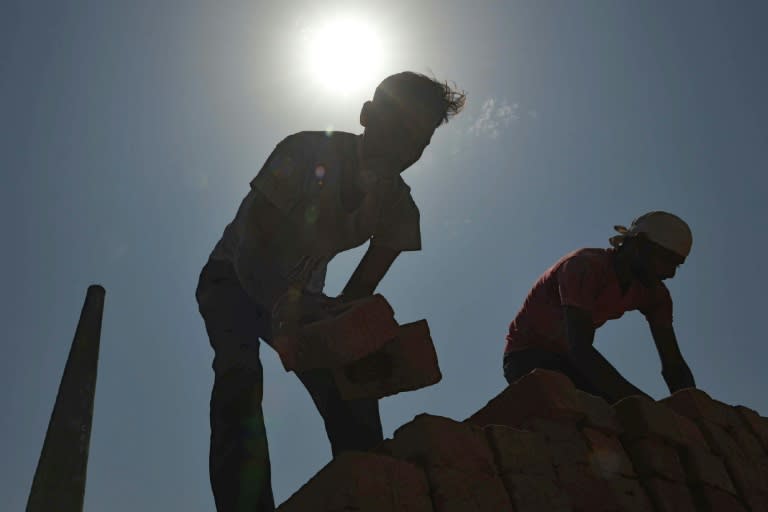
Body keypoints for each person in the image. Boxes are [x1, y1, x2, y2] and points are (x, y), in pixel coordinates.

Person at [195, 71, 465, 511]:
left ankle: (373, 490)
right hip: (232, 278)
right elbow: (252, 251)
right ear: (366, 115)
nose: (404, 146)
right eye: (398, 126)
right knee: (238, 374)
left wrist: (358, 339)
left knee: (351, 384)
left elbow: (356, 296)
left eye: (419, 140)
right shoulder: (303, 152)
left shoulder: (398, 208)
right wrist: (287, 309)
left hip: (303, 299)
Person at [503, 211, 697, 404]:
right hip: (527, 355)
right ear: (639, 245)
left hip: (571, 362)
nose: (670, 273)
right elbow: (580, 348)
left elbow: (673, 363)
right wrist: (644, 404)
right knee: (596, 409)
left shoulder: (655, 294)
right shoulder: (584, 266)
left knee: (620, 414)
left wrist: (697, 413)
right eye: (666, 260)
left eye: (677, 265)